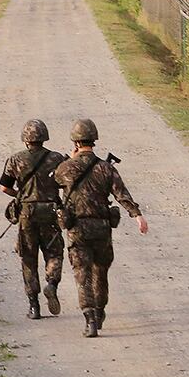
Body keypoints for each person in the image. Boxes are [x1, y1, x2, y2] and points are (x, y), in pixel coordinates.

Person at [53, 118, 148, 339]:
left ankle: (90, 320)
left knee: (82, 276)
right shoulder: (106, 168)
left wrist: (72, 160)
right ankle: (100, 309)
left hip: (78, 230)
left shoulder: (66, 168)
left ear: (75, 143)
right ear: (94, 141)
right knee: (100, 274)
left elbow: (54, 183)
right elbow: (121, 194)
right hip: (102, 229)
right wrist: (138, 216)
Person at [0, 118, 68, 320]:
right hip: (51, 211)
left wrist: (19, 196)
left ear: (25, 139)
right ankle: (52, 284)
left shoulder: (15, 160)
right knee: (55, 252)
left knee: (28, 259)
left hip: (27, 214)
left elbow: (4, 187)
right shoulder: (57, 159)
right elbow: (67, 183)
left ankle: (34, 307)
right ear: (44, 137)